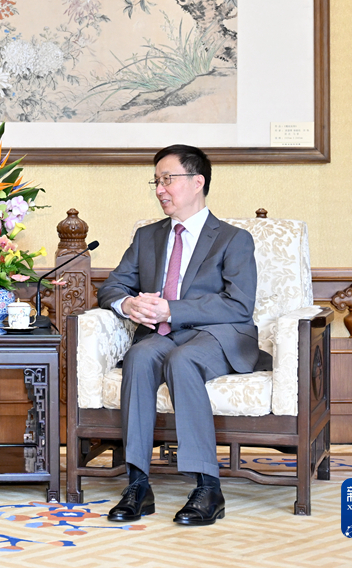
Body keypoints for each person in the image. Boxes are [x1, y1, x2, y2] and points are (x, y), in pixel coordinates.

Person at [97, 144, 258, 526]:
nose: (160, 189)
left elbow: (239, 305)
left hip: (218, 335)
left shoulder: (233, 239)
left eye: (167, 179)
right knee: (139, 356)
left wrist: (173, 309)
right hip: (164, 335)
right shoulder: (148, 236)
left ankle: (208, 487)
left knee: (182, 361)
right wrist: (128, 305)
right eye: (156, 181)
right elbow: (112, 286)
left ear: (197, 181)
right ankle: (138, 483)